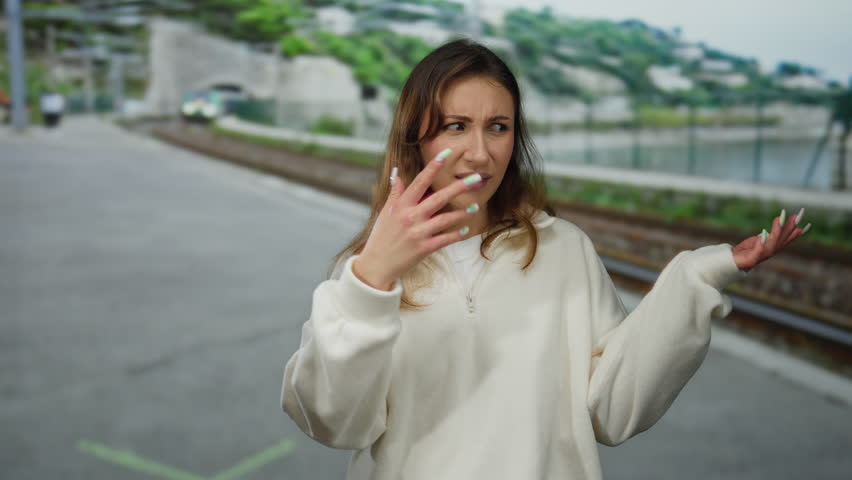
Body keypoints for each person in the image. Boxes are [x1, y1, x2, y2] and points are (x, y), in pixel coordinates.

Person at [280, 39, 810, 479]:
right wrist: (372, 280)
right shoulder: (362, 272)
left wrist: (696, 277)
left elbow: (614, 409)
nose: (481, 153)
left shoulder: (563, 249)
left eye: (499, 127)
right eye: (455, 126)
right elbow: (335, 425)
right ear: (414, 139)